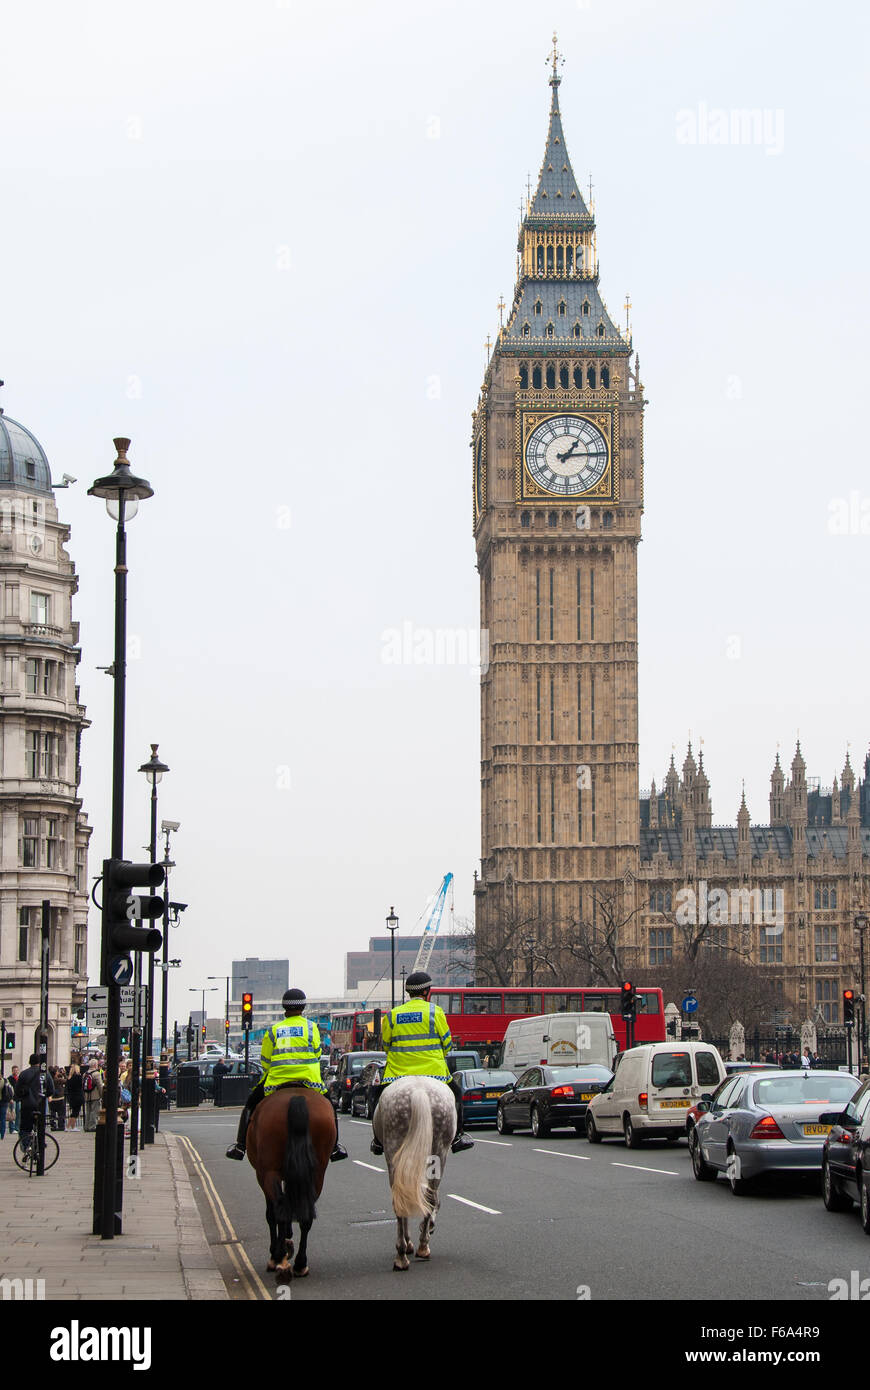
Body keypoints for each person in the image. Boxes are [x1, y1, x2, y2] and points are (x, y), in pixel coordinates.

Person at [226, 988, 347, 1162]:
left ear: (284, 1007)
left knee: (251, 1103)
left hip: (277, 1081)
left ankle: (240, 1146)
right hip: (309, 1081)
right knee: (329, 1105)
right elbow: (318, 1053)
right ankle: (335, 1148)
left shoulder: (274, 1030)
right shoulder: (312, 1028)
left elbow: (265, 1061)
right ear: (303, 1007)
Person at [370, 970, 474, 1157]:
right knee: (457, 1094)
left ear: (408, 992)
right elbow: (447, 1043)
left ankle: (378, 1141)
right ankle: (458, 1136)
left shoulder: (393, 1015)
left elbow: (386, 1045)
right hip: (435, 1072)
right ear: (427, 992)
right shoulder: (436, 1012)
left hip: (397, 1073)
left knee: (376, 1096)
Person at [15, 1053, 56, 1155]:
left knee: (25, 1129)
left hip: (27, 1105)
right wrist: (44, 1094)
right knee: (40, 1127)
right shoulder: (45, 1073)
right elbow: (51, 1090)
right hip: (40, 1105)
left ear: (30, 1062)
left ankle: (26, 1147)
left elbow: (17, 1091)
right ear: (39, 1062)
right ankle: (40, 1145)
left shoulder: (24, 1074)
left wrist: (23, 1096)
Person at [83, 1060, 103, 1131]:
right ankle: (92, 1126)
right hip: (95, 1095)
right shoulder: (96, 1074)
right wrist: (102, 1095)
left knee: (88, 1111)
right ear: (95, 1065)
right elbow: (100, 1085)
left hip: (87, 1095)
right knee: (94, 1111)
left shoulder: (85, 1074)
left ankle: (86, 1126)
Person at [66, 1063, 84, 1130]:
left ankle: (68, 1127)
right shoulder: (78, 1077)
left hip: (71, 1097)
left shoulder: (69, 1078)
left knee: (73, 1112)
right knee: (75, 1112)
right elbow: (81, 1086)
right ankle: (72, 1127)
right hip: (78, 1096)